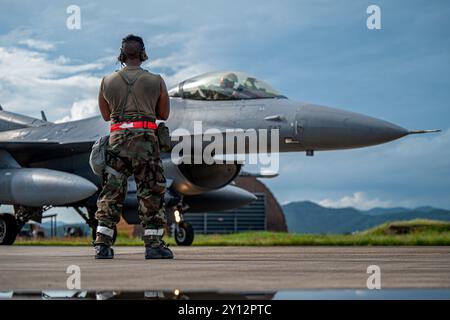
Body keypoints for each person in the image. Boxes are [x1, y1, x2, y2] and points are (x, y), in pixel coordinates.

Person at [94, 34, 172, 260]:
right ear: (143, 53)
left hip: (117, 139)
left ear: (121, 54)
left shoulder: (106, 82)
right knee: (151, 192)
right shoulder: (156, 80)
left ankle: (102, 245)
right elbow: (163, 114)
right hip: (145, 141)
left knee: (111, 192)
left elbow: (106, 115)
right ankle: (154, 246)